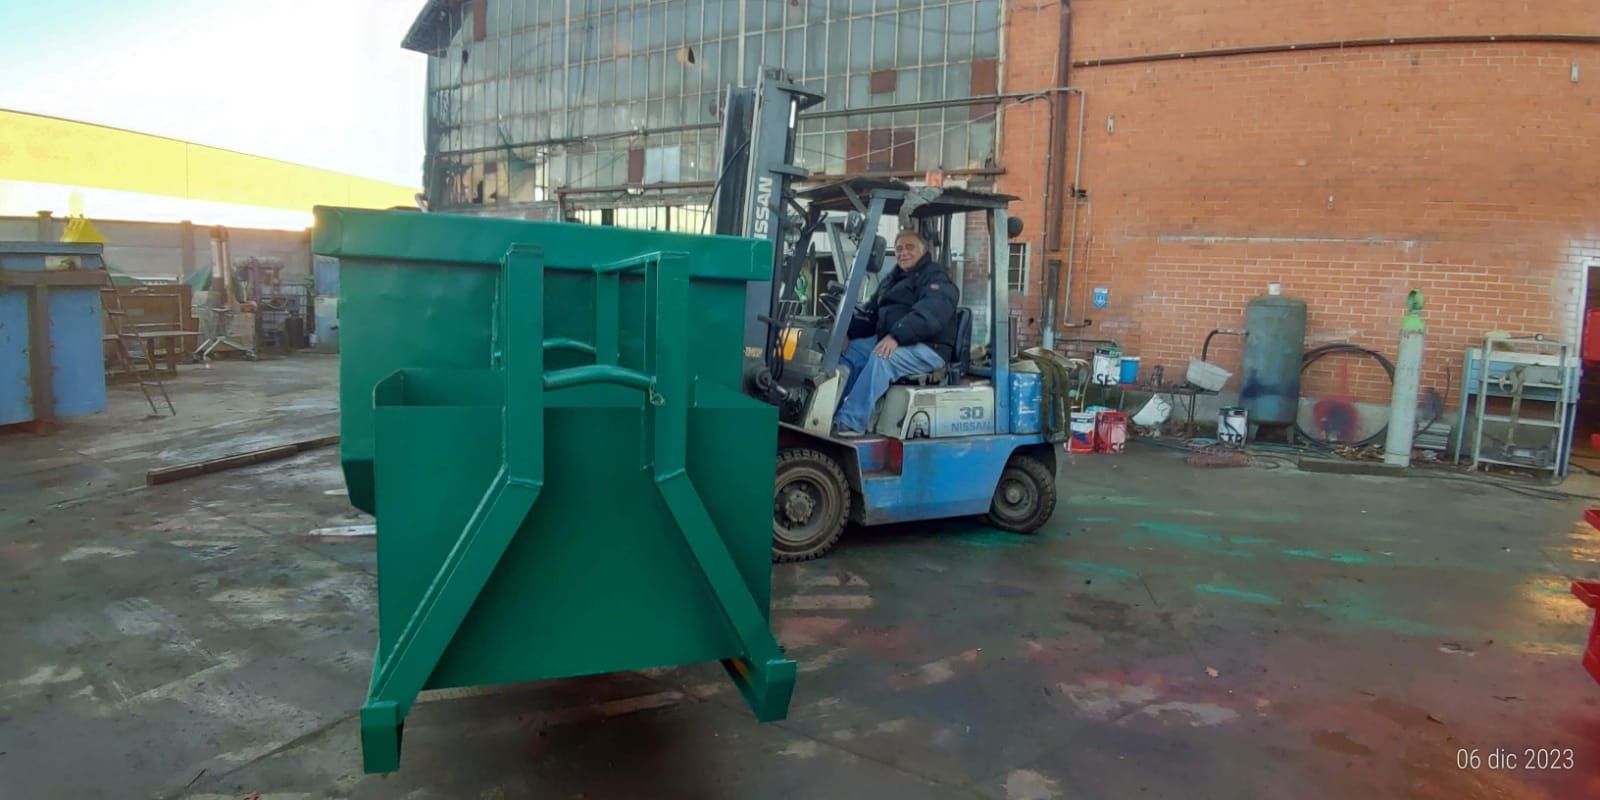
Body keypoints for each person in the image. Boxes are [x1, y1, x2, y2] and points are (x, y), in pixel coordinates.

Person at [833, 229, 960, 435]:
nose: (903, 252)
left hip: (929, 346)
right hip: (895, 339)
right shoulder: (892, 279)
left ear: (923, 250)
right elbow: (871, 313)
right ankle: (830, 411)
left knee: (882, 357)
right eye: (899, 248)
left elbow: (930, 314)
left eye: (910, 247)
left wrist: (896, 336)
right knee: (851, 353)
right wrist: (847, 332)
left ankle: (851, 421)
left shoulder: (936, 278)